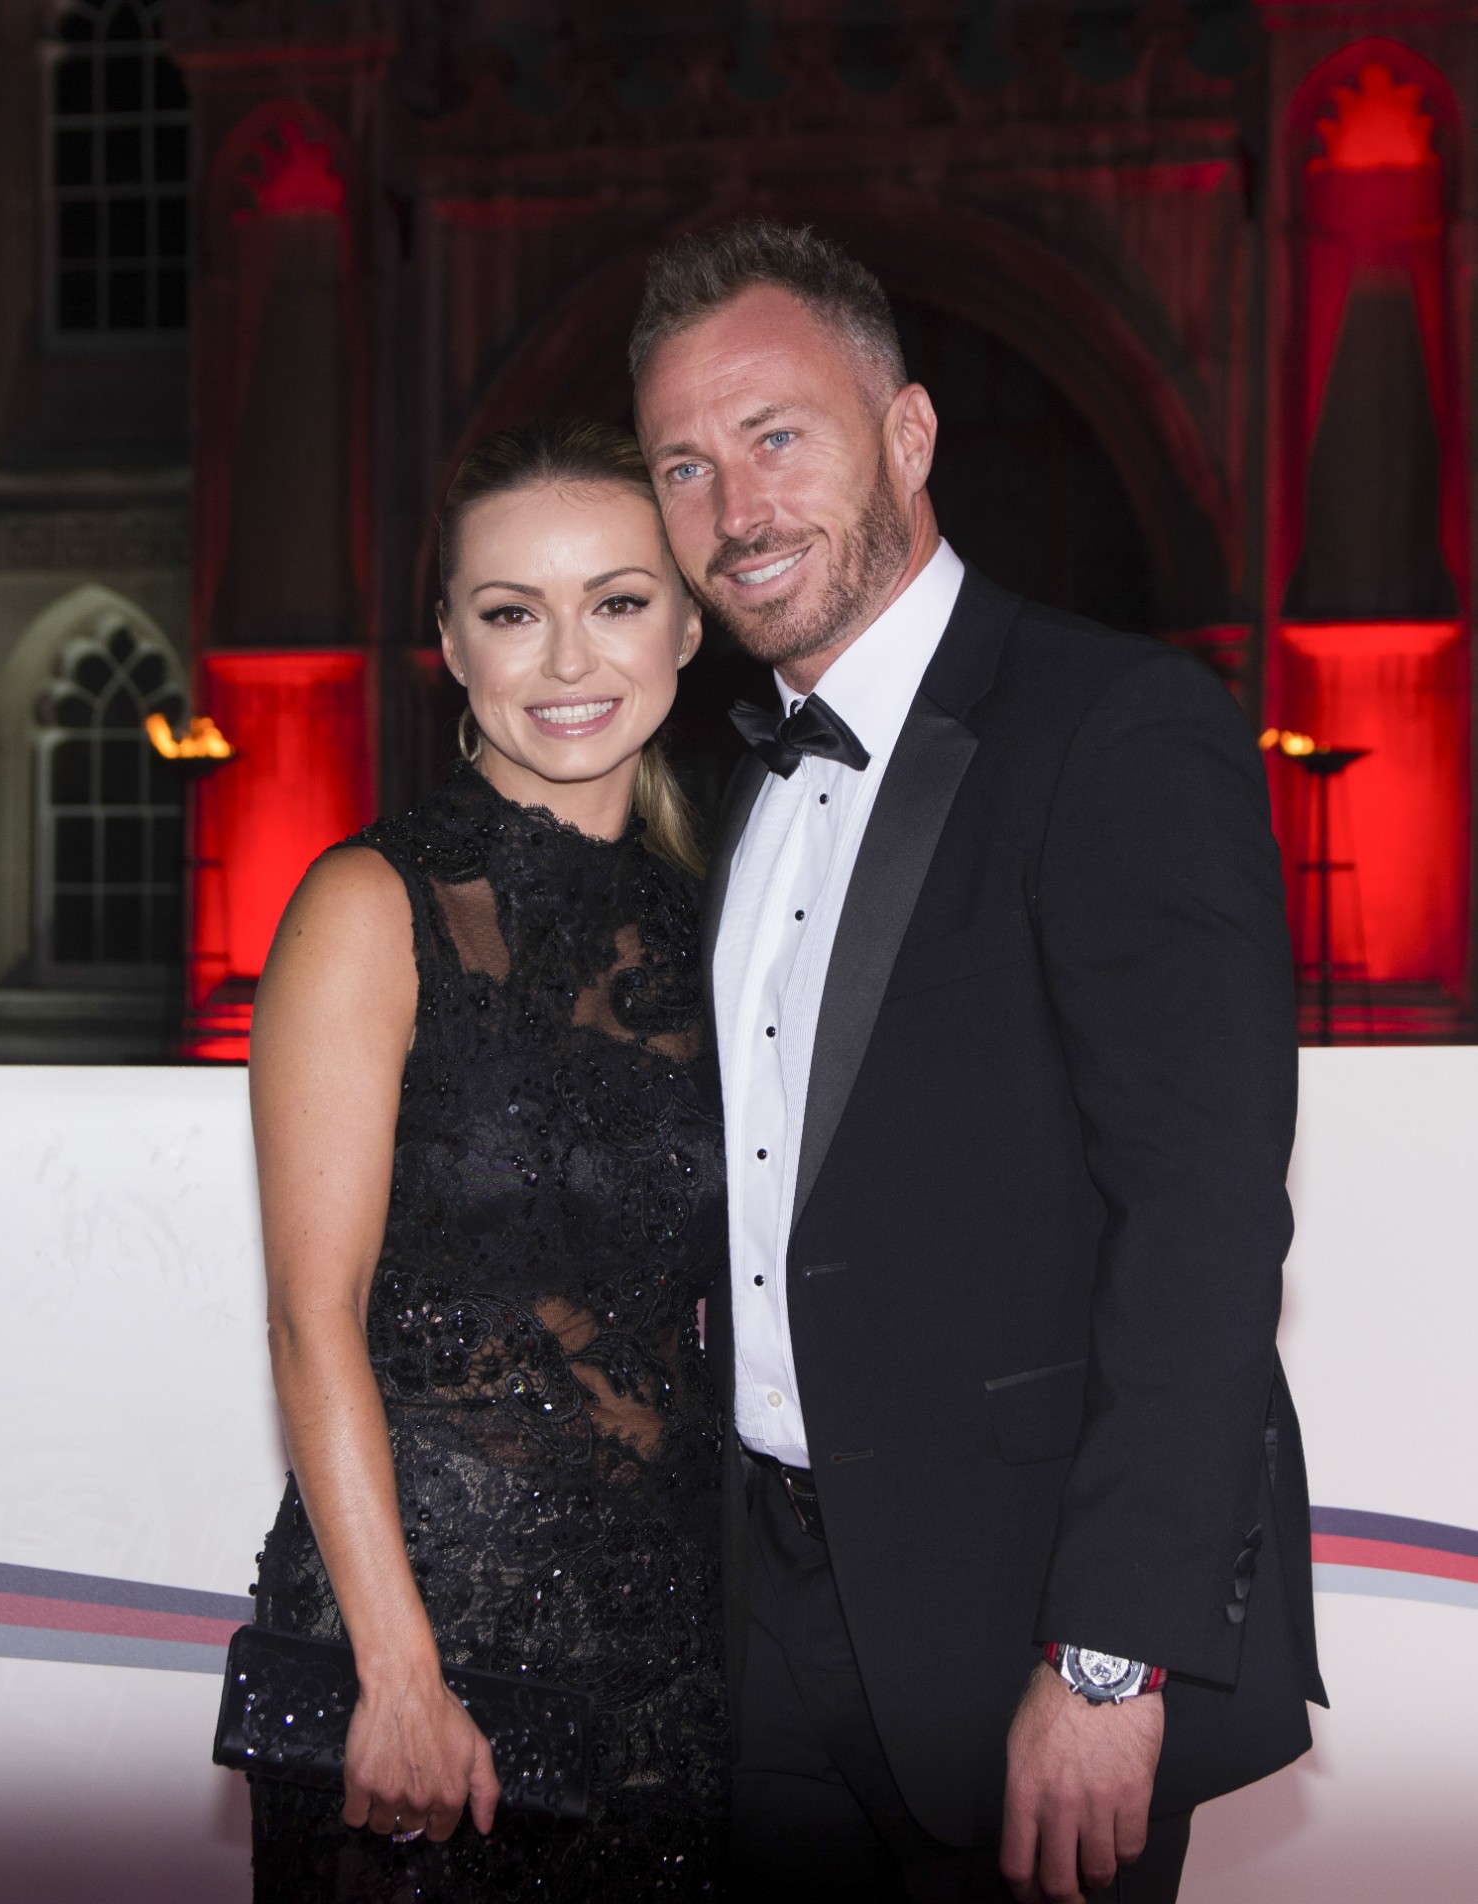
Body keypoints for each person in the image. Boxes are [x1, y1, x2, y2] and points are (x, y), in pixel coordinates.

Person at [630, 222, 1326, 1904]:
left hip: (1026, 1628)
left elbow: (1203, 1225)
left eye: (777, 436)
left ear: (911, 433)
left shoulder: (1116, 726)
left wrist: (1109, 1658)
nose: (736, 509)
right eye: (685, 467)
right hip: (760, 1626)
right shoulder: (730, 789)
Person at [245, 418, 731, 1900]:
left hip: (677, 1651)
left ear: (690, 623)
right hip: (429, 1635)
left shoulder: (721, 921)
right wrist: (398, 1670)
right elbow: (311, 1314)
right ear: (453, 645)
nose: (570, 658)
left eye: (619, 601)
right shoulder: (369, 904)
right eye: (515, 613)